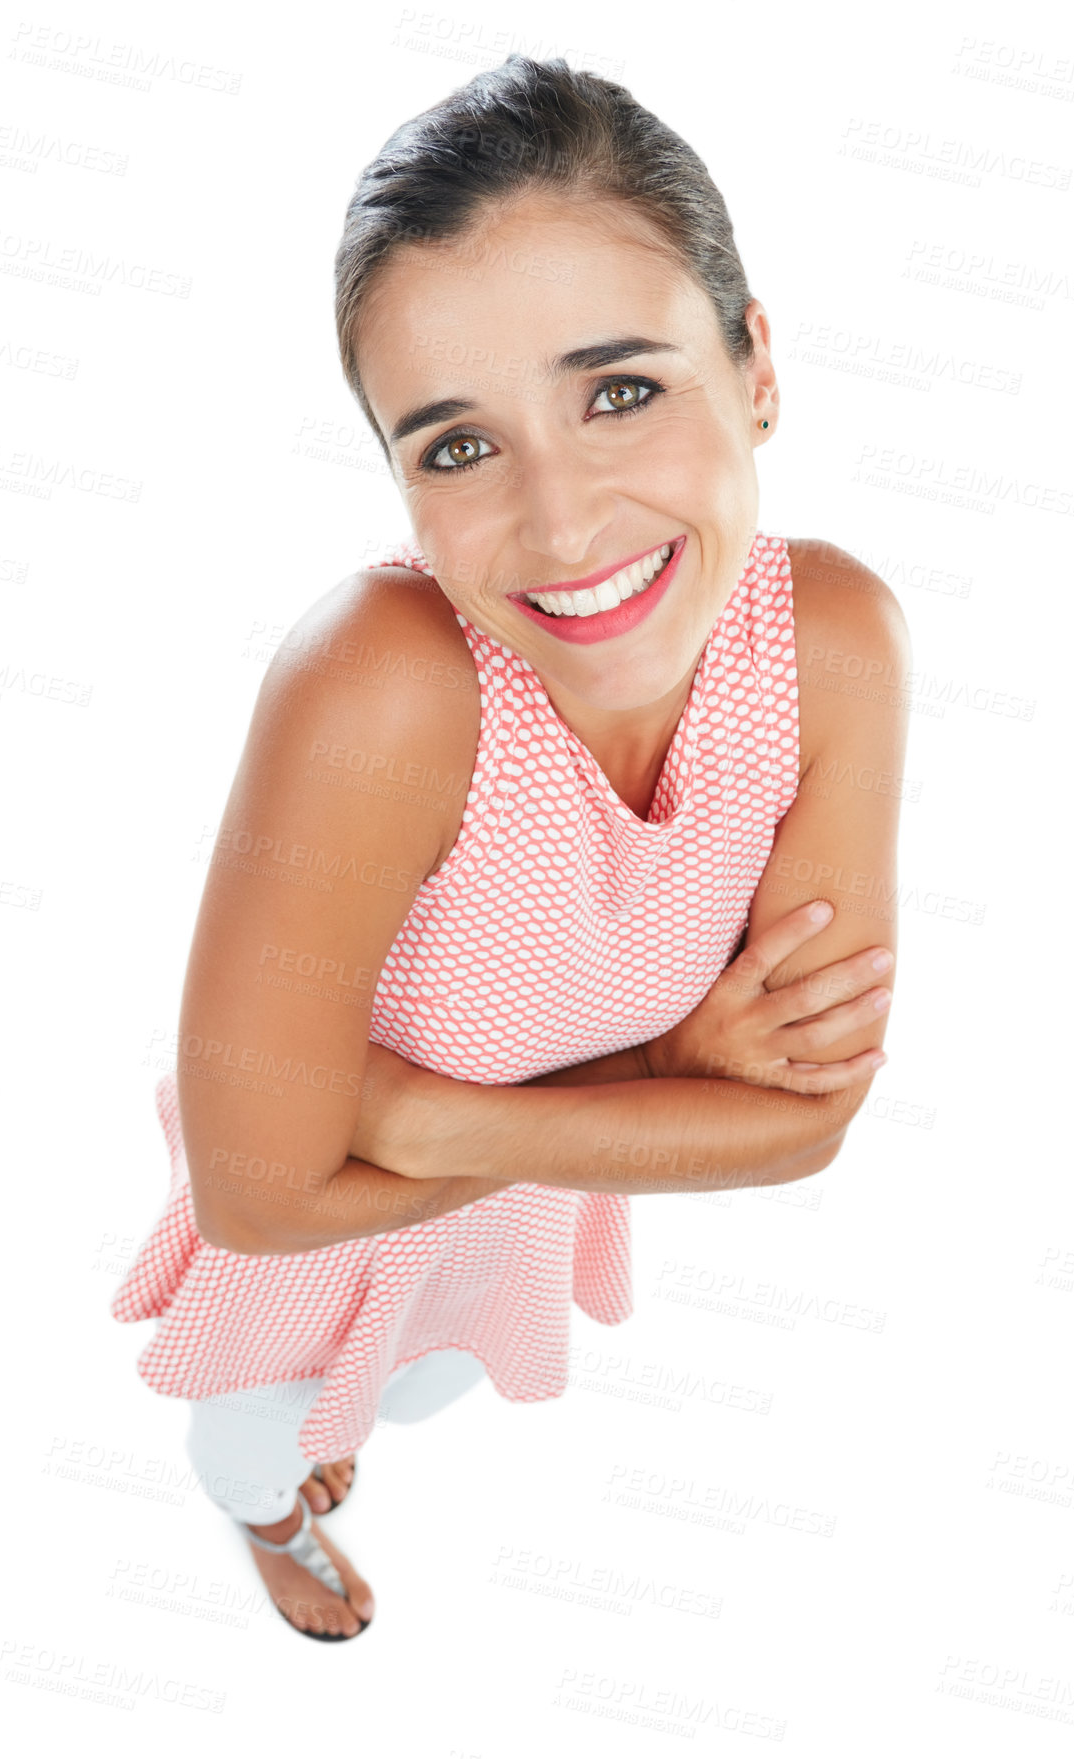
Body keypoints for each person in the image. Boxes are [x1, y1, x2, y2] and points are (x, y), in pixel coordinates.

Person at [110, 54, 909, 1642]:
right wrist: (659, 1076)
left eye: (621, 389)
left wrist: (419, 1119)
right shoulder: (389, 680)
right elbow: (265, 1200)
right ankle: (270, 1516)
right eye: (457, 447)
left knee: (424, 1386)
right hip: (347, 1213)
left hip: (468, 1192)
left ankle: (342, 1440)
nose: (559, 528)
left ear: (755, 365)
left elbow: (804, 1128)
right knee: (255, 1421)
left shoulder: (832, 641)